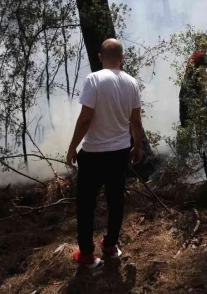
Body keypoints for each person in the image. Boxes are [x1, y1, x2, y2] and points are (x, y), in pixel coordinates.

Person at [66, 39, 144, 268]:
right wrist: (137, 147)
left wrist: (72, 147)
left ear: (100, 57)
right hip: (120, 153)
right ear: (122, 59)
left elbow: (85, 118)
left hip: (93, 154)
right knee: (116, 201)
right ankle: (110, 245)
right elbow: (136, 121)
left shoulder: (94, 79)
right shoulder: (132, 83)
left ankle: (87, 255)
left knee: (86, 205)